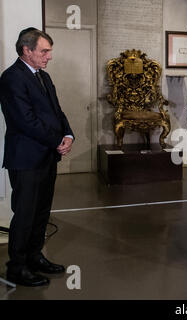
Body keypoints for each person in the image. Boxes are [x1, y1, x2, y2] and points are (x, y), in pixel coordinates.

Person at [0, 28, 74, 286]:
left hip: (46, 157)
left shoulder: (43, 76)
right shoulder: (11, 78)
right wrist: (56, 141)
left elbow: (57, 111)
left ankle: (34, 257)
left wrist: (68, 135)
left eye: (49, 51)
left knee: (42, 212)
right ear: (26, 50)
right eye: (44, 51)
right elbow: (25, 121)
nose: (49, 56)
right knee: (25, 214)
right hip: (26, 158)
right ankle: (16, 268)